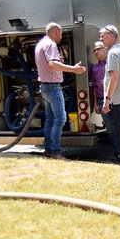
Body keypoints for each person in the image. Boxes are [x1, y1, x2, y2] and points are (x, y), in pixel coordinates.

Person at [35, 22, 86, 160]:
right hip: (53, 87)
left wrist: (60, 62)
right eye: (61, 34)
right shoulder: (51, 44)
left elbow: (49, 63)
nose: (61, 37)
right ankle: (56, 152)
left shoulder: (41, 44)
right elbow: (52, 64)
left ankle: (48, 150)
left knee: (50, 119)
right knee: (60, 118)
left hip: (45, 87)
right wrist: (73, 69)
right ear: (56, 32)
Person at [99, 25, 120, 165]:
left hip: (118, 99)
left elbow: (114, 78)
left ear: (112, 35)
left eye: (103, 36)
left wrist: (107, 100)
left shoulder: (113, 53)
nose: (100, 39)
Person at [91, 41, 118, 157]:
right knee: (110, 128)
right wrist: (95, 104)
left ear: (106, 49)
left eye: (99, 49)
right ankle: (117, 152)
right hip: (102, 101)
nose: (97, 52)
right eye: (95, 50)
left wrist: (107, 83)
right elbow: (93, 87)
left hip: (116, 99)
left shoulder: (112, 64)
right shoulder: (95, 68)